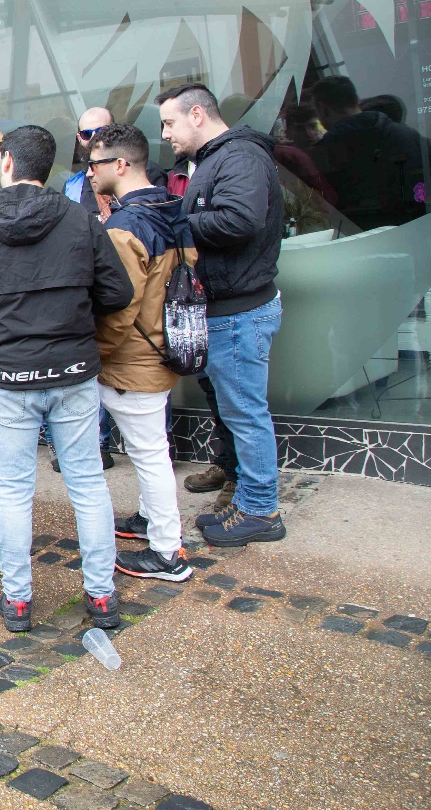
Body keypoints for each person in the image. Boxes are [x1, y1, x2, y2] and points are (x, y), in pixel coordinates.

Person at [0, 125, 134, 632]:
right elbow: (117, 292)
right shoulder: (80, 220)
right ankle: (101, 596)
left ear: (5, 162)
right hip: (72, 372)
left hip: (7, 378)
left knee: (13, 491)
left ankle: (19, 600)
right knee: (87, 485)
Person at [158, 84, 288, 546]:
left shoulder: (239, 157)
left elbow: (239, 220)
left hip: (239, 312)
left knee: (246, 415)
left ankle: (262, 511)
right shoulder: (219, 158)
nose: (165, 134)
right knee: (237, 413)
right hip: (228, 309)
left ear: (197, 114)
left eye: (169, 123)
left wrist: (174, 223)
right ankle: (249, 499)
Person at [86, 125, 196, 582]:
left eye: (94, 163)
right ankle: (150, 520)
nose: (88, 172)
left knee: (150, 455)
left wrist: (93, 355)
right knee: (154, 449)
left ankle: (167, 553)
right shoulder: (173, 208)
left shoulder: (124, 227)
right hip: (166, 346)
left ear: (120, 164)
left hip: (133, 359)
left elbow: (118, 307)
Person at [307, 75, 426, 230]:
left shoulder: (321, 155)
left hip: (361, 238)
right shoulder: (407, 134)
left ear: (323, 109)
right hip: (419, 229)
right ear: (356, 100)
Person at [62, 108, 170, 220]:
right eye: (86, 134)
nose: (94, 138)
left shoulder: (143, 171)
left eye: (101, 131)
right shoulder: (72, 185)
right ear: (79, 138)